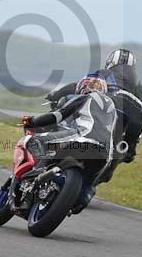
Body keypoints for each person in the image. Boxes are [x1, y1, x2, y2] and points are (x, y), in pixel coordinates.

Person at [22, 73, 117, 212]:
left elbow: (57, 116)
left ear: (81, 87)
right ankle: (81, 198)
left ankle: (34, 176)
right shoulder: (112, 110)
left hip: (81, 139)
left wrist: (32, 121)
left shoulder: (84, 97)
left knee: (35, 141)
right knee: (87, 185)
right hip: (104, 154)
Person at [47, 48, 142, 165]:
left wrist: (56, 95)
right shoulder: (141, 89)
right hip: (133, 122)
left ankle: (51, 139)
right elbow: (139, 115)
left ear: (111, 62)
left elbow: (78, 86)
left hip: (112, 108)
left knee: (73, 106)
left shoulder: (106, 73)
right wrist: (131, 149)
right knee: (121, 153)